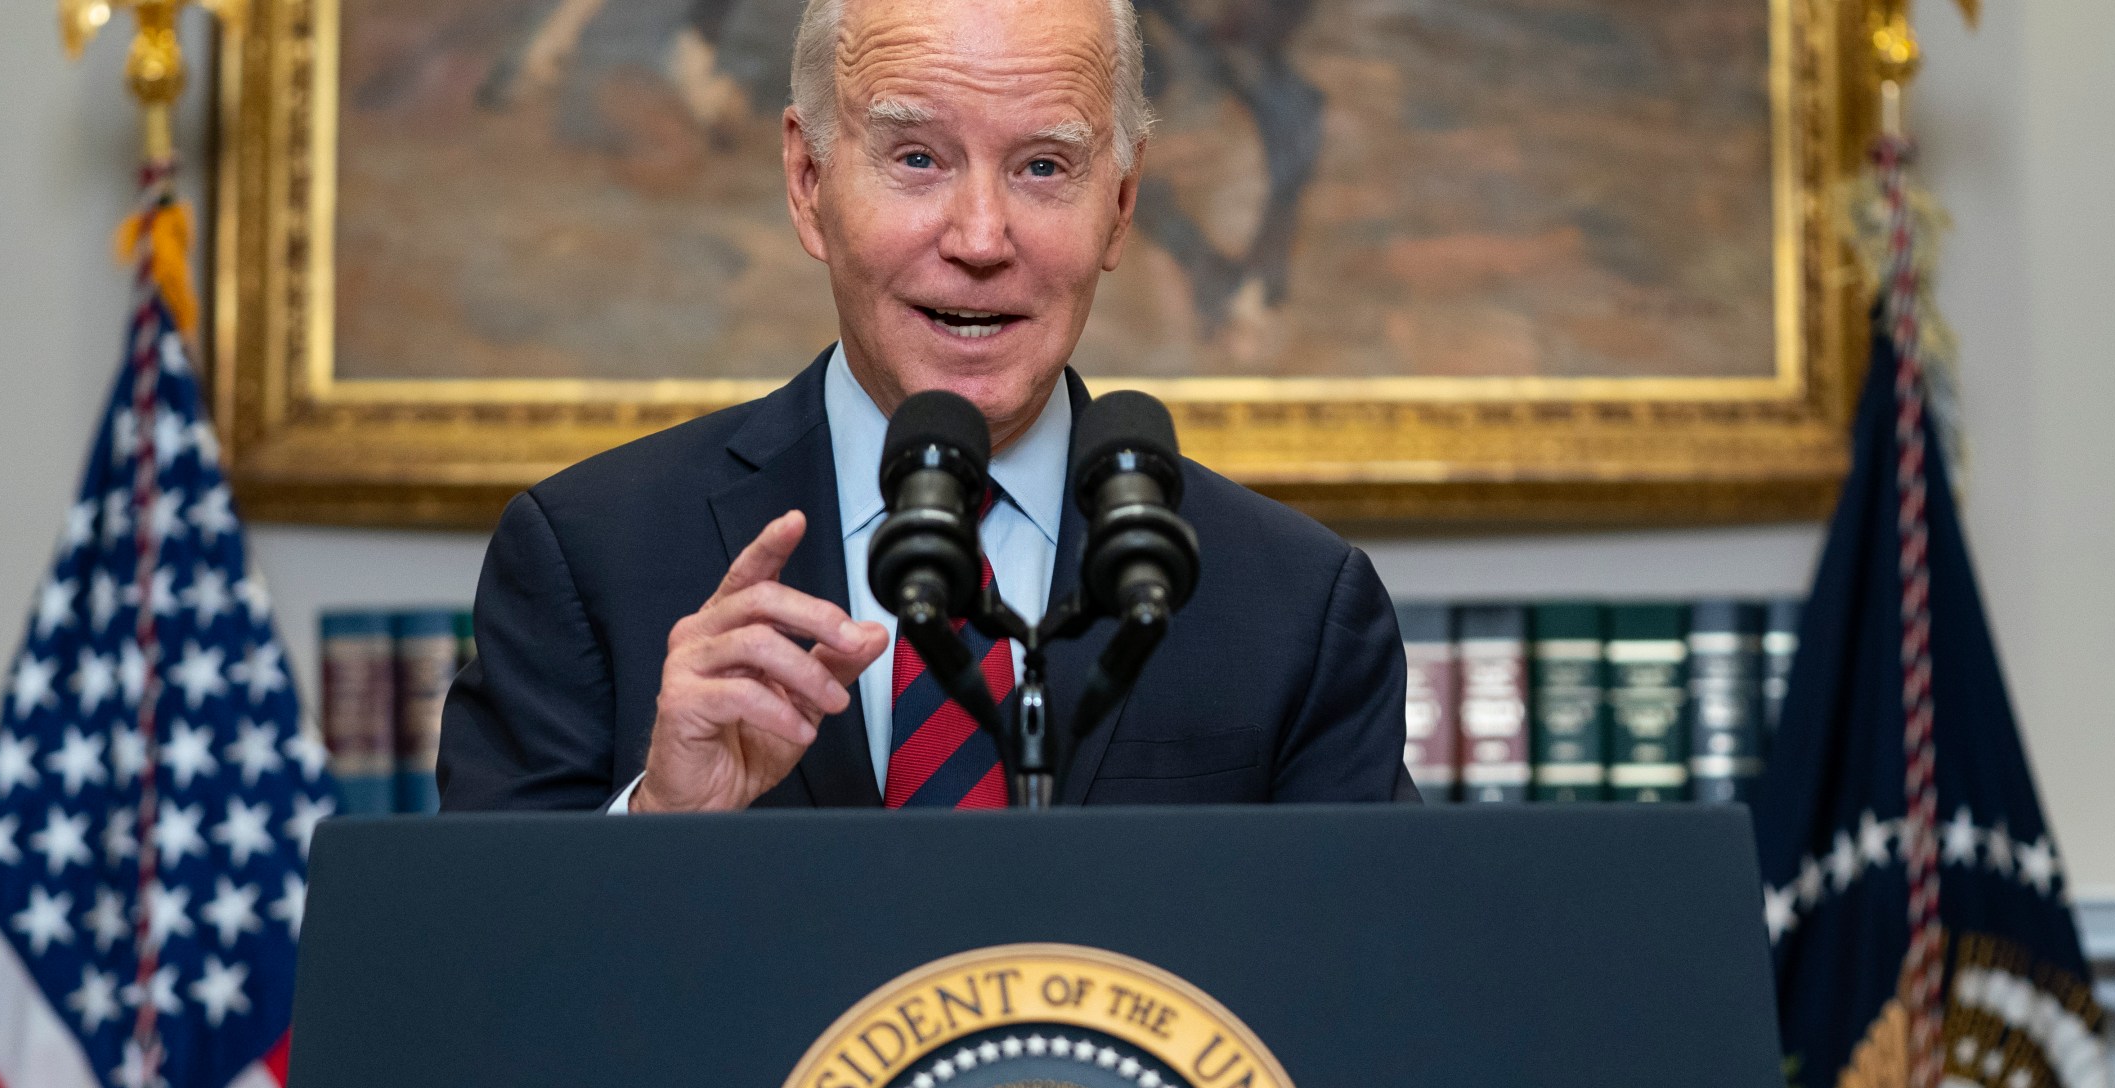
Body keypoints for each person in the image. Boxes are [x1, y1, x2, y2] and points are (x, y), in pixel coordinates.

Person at [437, 0, 1412, 812]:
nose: (981, 238)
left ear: (1120, 204)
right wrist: (655, 824)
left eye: (1042, 166)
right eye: (916, 159)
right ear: (807, 180)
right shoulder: (586, 560)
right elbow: (476, 1013)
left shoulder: (1298, 609)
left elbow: (1368, 997)